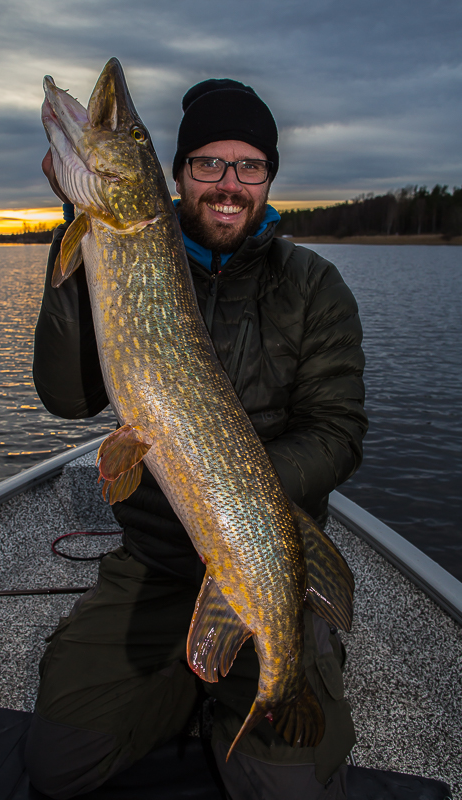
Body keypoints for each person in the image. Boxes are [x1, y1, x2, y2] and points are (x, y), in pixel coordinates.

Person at [26, 78, 368, 800]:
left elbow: (337, 434)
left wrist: (240, 495)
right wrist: (76, 218)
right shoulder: (114, 244)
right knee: (60, 761)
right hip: (152, 559)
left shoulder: (313, 286)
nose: (228, 184)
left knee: (285, 789)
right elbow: (67, 399)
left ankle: (277, 657)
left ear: (267, 178)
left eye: (249, 167)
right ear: (176, 176)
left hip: (270, 554)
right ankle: (188, 689)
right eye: (207, 163)